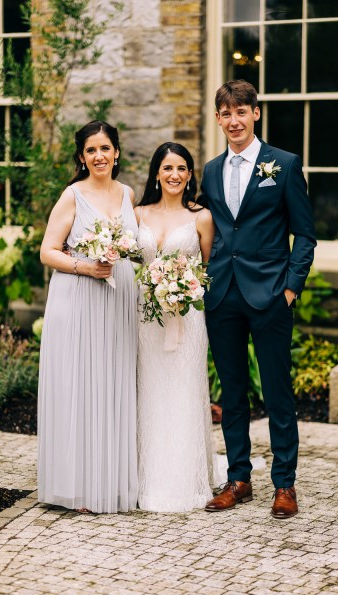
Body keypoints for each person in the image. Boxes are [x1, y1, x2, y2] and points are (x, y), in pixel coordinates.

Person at [199, 80, 317, 518]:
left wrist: (289, 288)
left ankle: (284, 485)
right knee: (232, 392)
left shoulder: (283, 165)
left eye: (241, 112)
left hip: (270, 295)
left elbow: (304, 234)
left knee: (278, 392)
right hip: (223, 294)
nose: (234, 121)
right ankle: (239, 479)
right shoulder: (210, 171)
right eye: (226, 114)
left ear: (256, 114)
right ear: (217, 119)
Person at [38, 120, 138, 513]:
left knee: (112, 384)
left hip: (118, 302)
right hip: (79, 296)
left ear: (117, 152)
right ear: (81, 157)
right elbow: (48, 251)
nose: (99, 156)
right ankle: (78, 486)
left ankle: (110, 480)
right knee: (81, 385)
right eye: (91, 150)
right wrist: (84, 267)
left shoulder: (129, 194)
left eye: (105, 148)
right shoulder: (72, 196)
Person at [134, 142, 215, 512]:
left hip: (187, 319)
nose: (175, 175)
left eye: (182, 168)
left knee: (183, 391)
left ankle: (185, 481)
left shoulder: (201, 217)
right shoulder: (137, 214)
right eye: (167, 168)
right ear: (156, 173)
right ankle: (144, 476)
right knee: (148, 390)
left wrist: (184, 288)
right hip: (146, 318)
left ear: (190, 174)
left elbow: (207, 272)